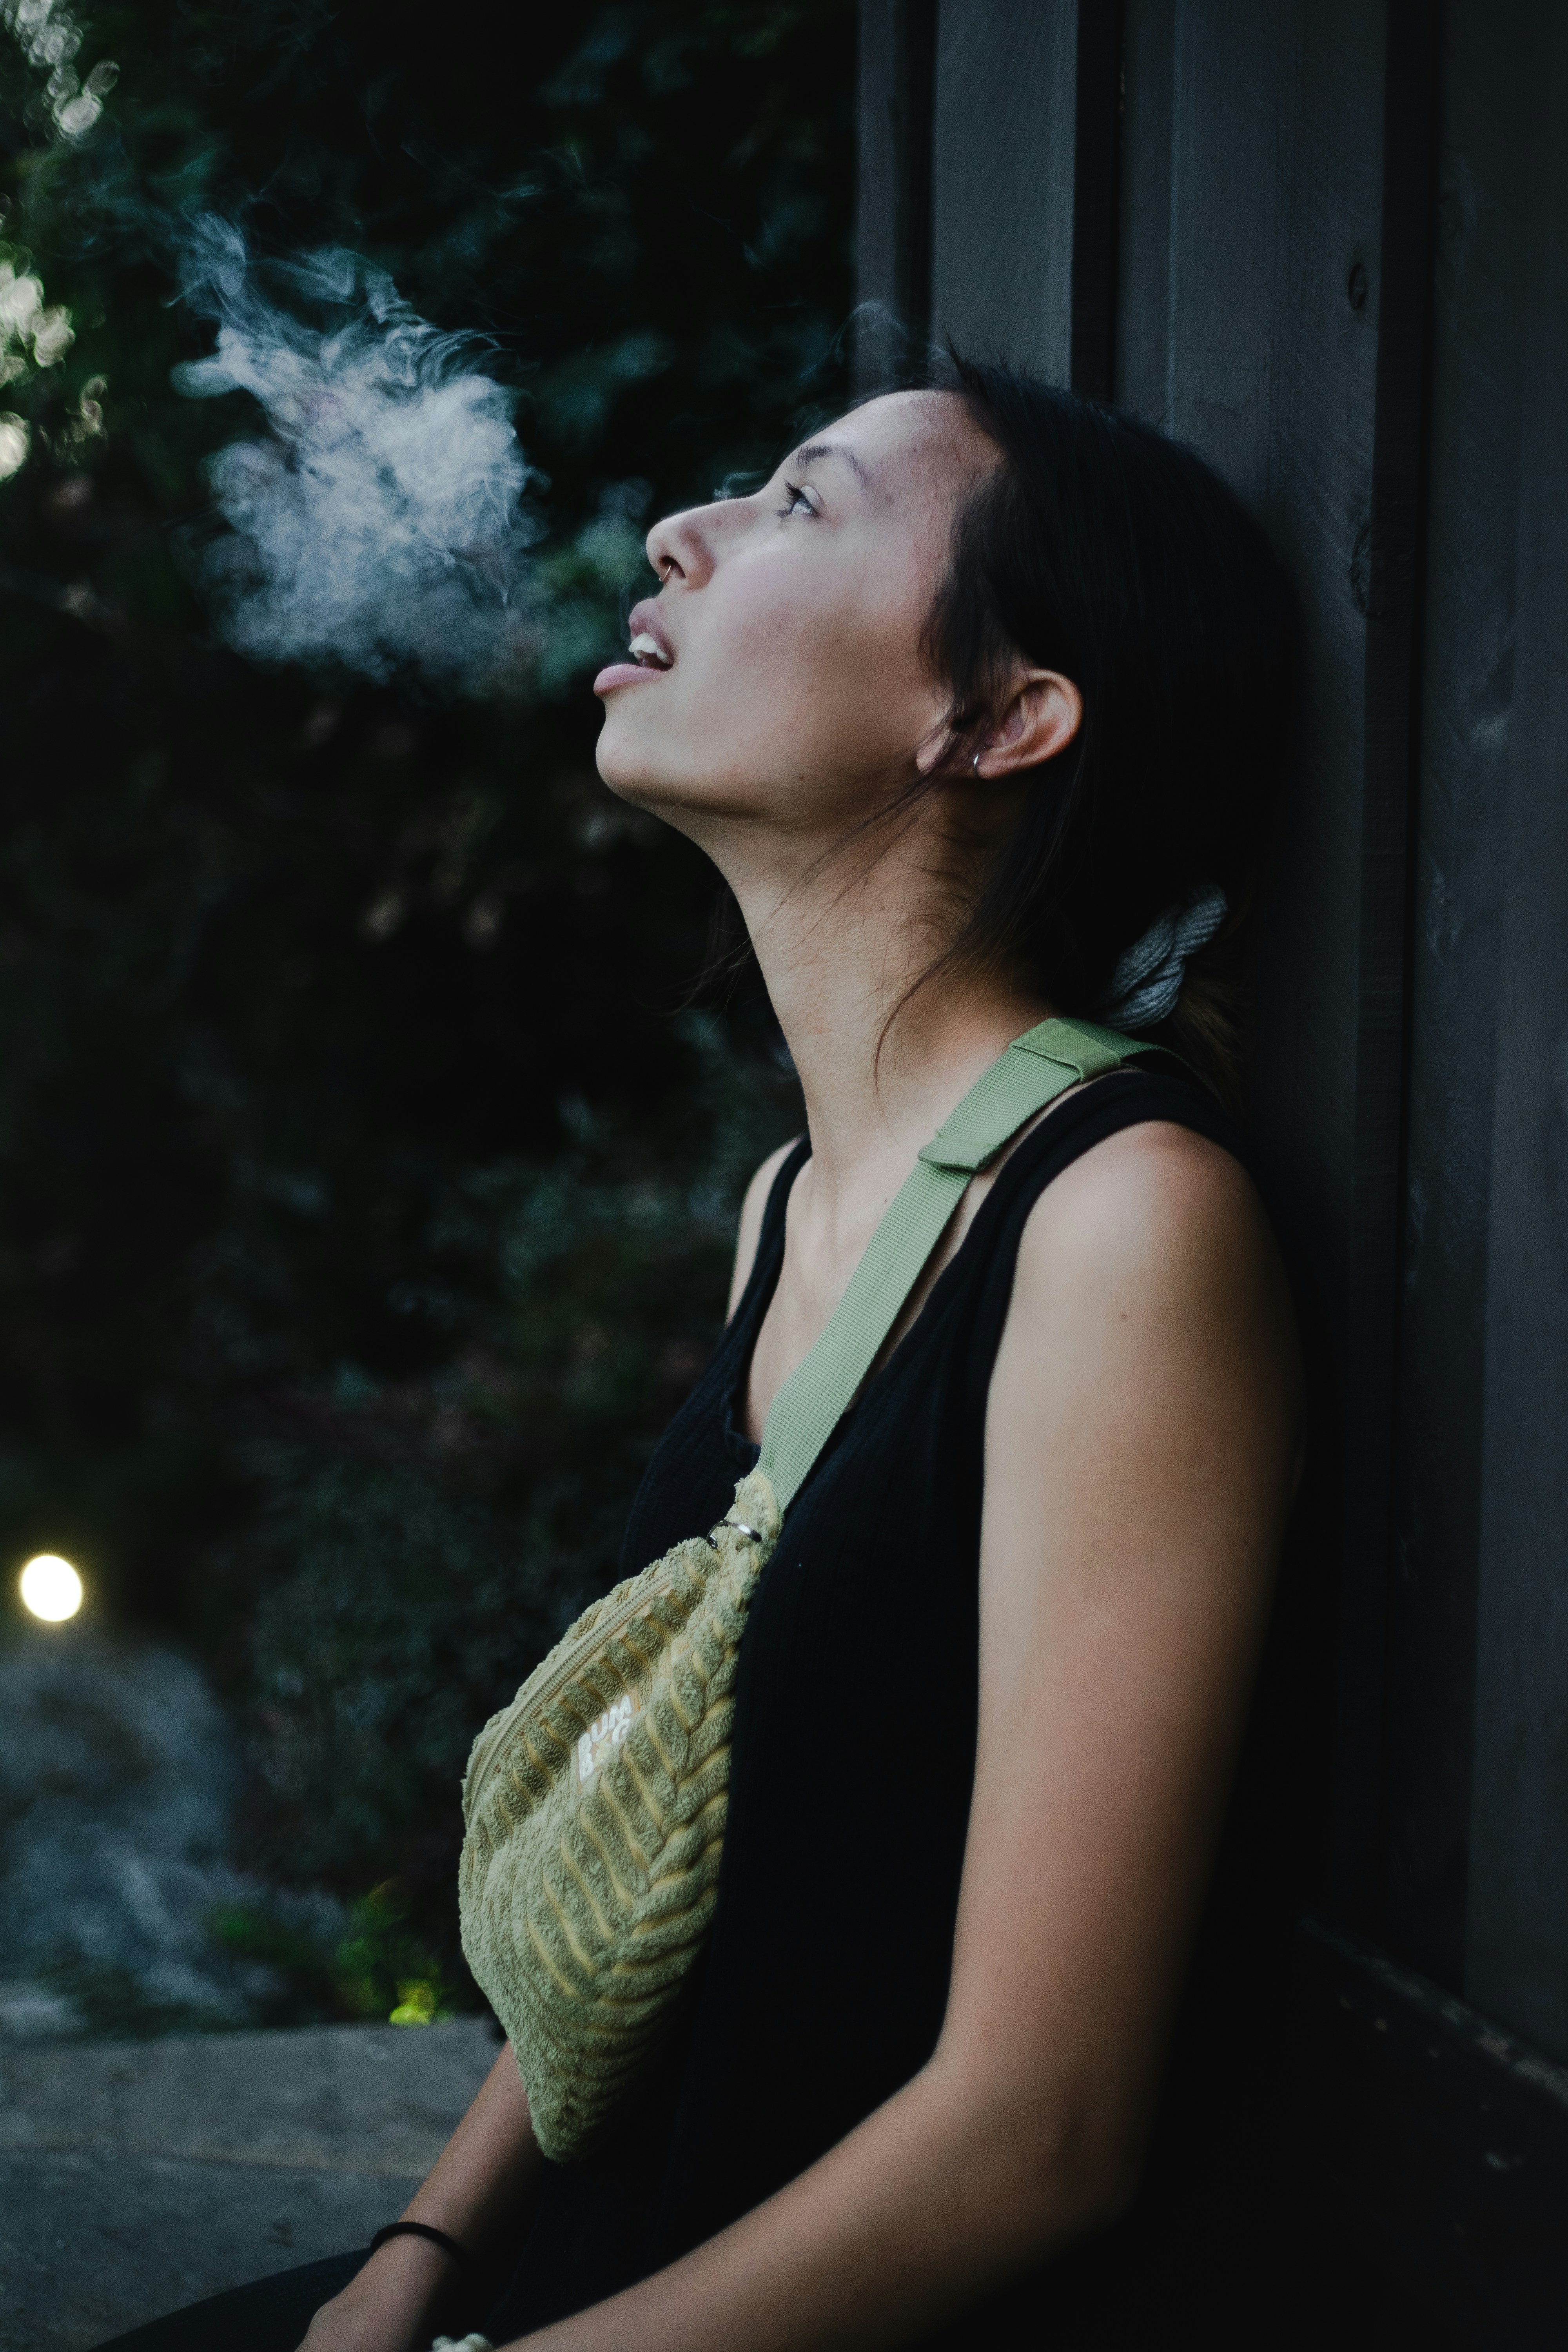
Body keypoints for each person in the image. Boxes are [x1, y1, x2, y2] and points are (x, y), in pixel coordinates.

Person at [99, 354, 1301, 2352]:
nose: (685, 531)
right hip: (569, 2276)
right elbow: (646, 1857)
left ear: (999, 719)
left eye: (805, 505)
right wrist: (419, 2264)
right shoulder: (791, 1206)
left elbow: (1042, 2130)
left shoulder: (1121, 1228)